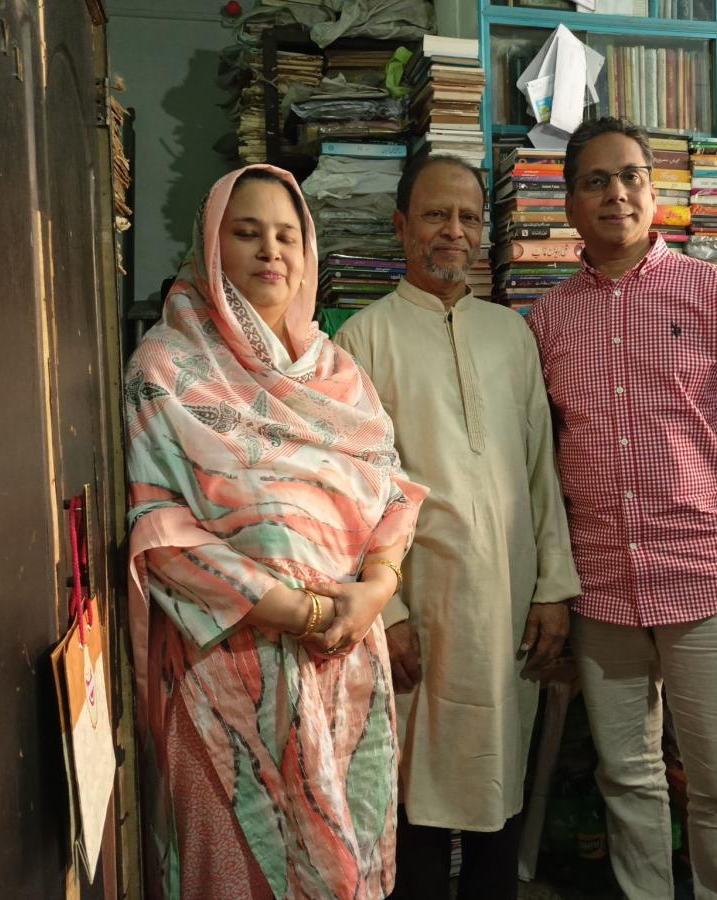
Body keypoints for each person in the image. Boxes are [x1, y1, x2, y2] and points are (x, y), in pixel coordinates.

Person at [124, 164, 427, 900]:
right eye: (247, 232)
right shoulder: (166, 367)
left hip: (345, 663)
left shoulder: (338, 373)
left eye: (288, 236)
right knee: (243, 871)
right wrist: (299, 610)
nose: (271, 252)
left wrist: (374, 591)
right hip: (233, 673)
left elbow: (391, 492)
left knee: (344, 869)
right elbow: (161, 529)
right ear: (210, 244)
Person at [525, 118, 717, 900]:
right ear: (570, 204)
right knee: (627, 778)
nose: (616, 194)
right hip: (602, 586)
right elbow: (541, 462)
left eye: (631, 176)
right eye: (596, 181)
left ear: (654, 192)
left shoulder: (713, 293)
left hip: (705, 576)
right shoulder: (547, 321)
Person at [333, 155, 581, 900]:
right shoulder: (361, 342)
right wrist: (390, 615)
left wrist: (553, 589)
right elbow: (350, 495)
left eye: (469, 217)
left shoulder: (512, 336)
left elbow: (542, 472)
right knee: (412, 807)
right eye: (436, 215)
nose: (454, 231)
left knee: (495, 798)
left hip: (507, 609)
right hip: (418, 613)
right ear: (401, 225)